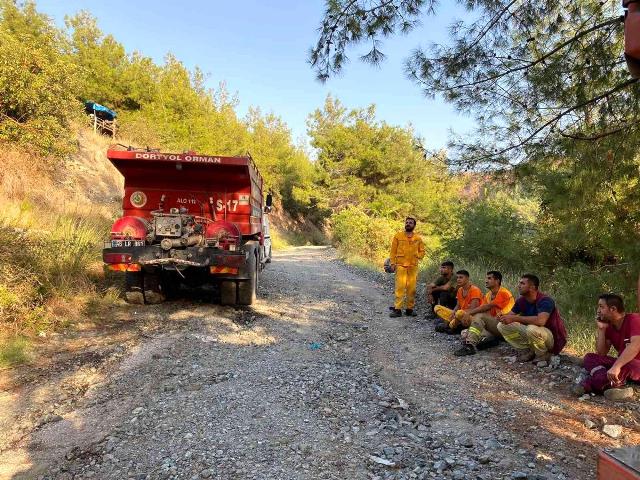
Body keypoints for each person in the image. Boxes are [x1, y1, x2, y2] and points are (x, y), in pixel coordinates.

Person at [573, 294, 640, 401]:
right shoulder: (609, 326)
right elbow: (601, 353)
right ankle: (608, 381)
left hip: (636, 365)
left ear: (613, 309)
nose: (598, 310)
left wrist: (616, 366)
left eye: (601, 307)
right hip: (624, 363)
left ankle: (589, 384)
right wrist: (602, 329)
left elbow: (636, 345)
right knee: (590, 357)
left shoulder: (634, 319)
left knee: (628, 363)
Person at [497, 274, 567, 362]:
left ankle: (543, 354)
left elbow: (541, 321)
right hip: (533, 334)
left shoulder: (545, 300)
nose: (518, 286)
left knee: (531, 329)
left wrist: (514, 318)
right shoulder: (521, 300)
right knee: (502, 325)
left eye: (522, 283)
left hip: (551, 339)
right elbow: (510, 315)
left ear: (532, 287)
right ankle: (528, 350)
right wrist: (502, 316)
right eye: (519, 283)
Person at [454, 270, 515, 356]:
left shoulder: (503, 293)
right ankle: (491, 339)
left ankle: (469, 346)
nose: (486, 281)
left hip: (505, 325)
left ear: (497, 281)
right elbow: (481, 309)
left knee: (479, 316)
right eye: (486, 278)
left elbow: (485, 307)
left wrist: (468, 313)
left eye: (489, 278)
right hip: (494, 325)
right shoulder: (488, 295)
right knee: (465, 334)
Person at [389, 217, 425, 318]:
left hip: (413, 266)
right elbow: (393, 251)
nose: (408, 224)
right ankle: (398, 309)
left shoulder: (418, 238)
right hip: (400, 265)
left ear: (414, 225)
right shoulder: (398, 236)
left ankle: (409, 309)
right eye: (407, 222)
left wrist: (418, 256)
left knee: (411, 289)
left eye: (410, 223)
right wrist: (392, 263)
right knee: (400, 288)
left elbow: (422, 251)